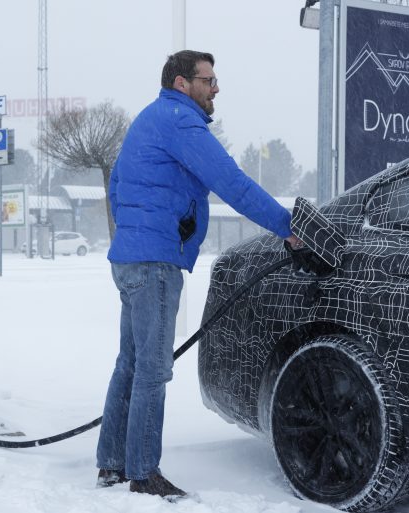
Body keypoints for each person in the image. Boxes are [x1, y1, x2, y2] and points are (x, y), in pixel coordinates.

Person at [95, 50, 302, 499]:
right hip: (153, 263)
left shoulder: (149, 118)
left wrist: (140, 228)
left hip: (130, 258)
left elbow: (116, 186)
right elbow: (231, 182)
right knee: (152, 370)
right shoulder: (180, 121)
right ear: (182, 83)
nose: (216, 87)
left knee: (129, 365)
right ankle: (143, 473)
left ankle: (112, 464)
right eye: (208, 80)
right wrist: (288, 227)